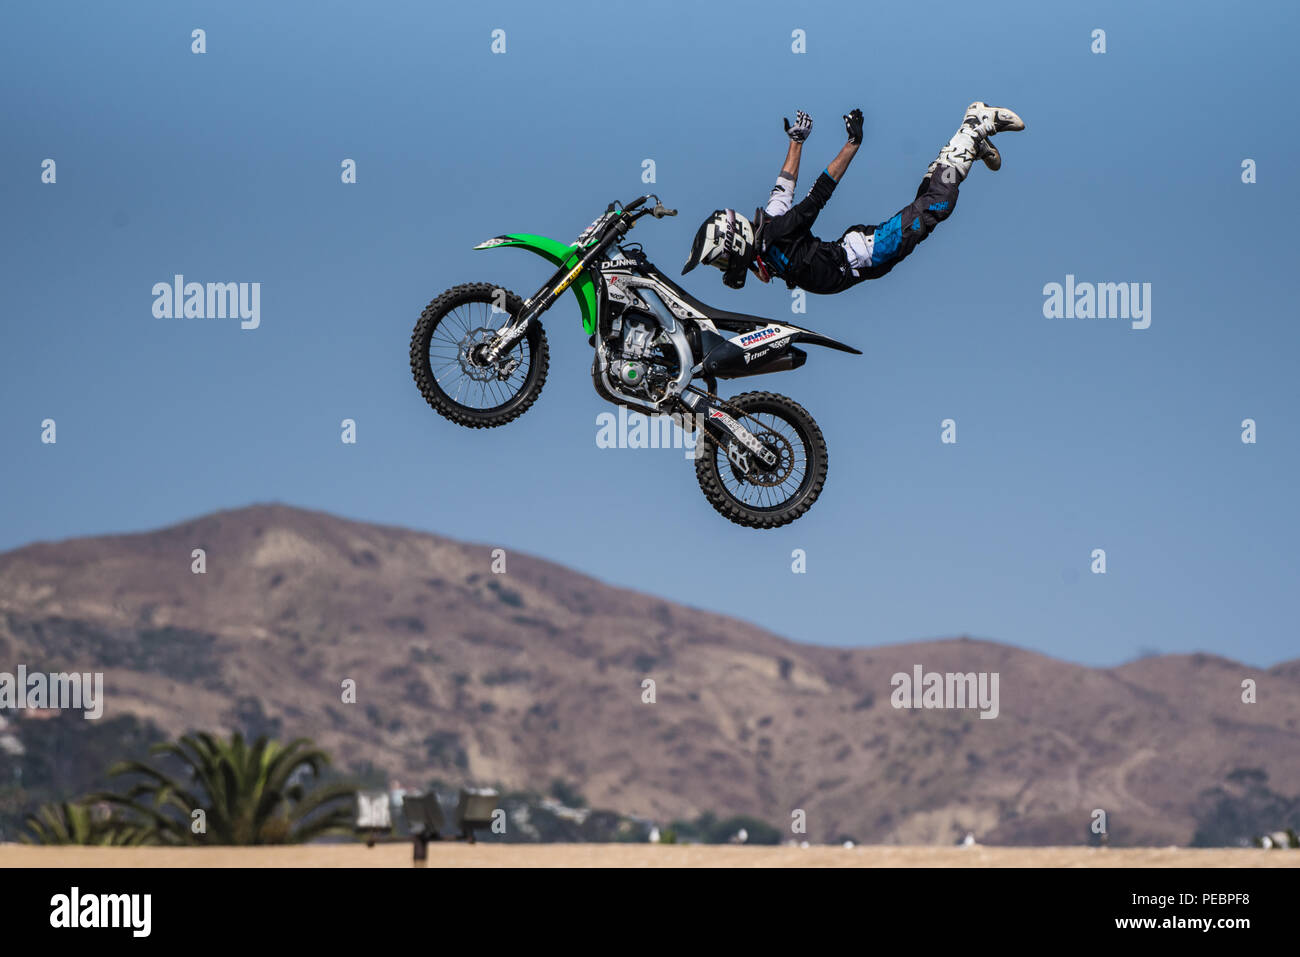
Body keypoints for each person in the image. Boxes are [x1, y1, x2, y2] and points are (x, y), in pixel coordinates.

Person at [681, 102, 1025, 294]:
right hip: (858, 255)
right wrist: (796, 142)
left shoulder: (776, 232)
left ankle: (973, 127)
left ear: (735, 241)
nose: (727, 267)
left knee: (936, 205)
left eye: (724, 259)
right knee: (923, 212)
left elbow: (820, 191)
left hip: (864, 253)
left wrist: (853, 144)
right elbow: (783, 185)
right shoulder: (767, 233)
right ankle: (963, 151)